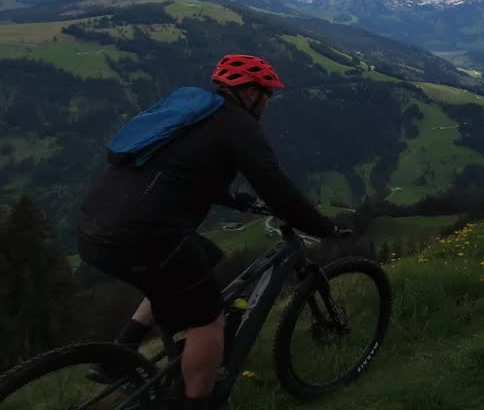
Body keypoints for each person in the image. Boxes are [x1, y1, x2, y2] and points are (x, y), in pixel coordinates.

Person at [77, 54, 344, 410]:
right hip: (145, 238)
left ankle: (120, 354)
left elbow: (180, 170)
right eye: (268, 95)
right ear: (250, 93)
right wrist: (323, 227)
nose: (268, 103)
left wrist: (237, 200)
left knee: (203, 257)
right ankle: (198, 402)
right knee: (208, 321)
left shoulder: (189, 111)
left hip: (94, 227)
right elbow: (279, 190)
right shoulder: (240, 126)